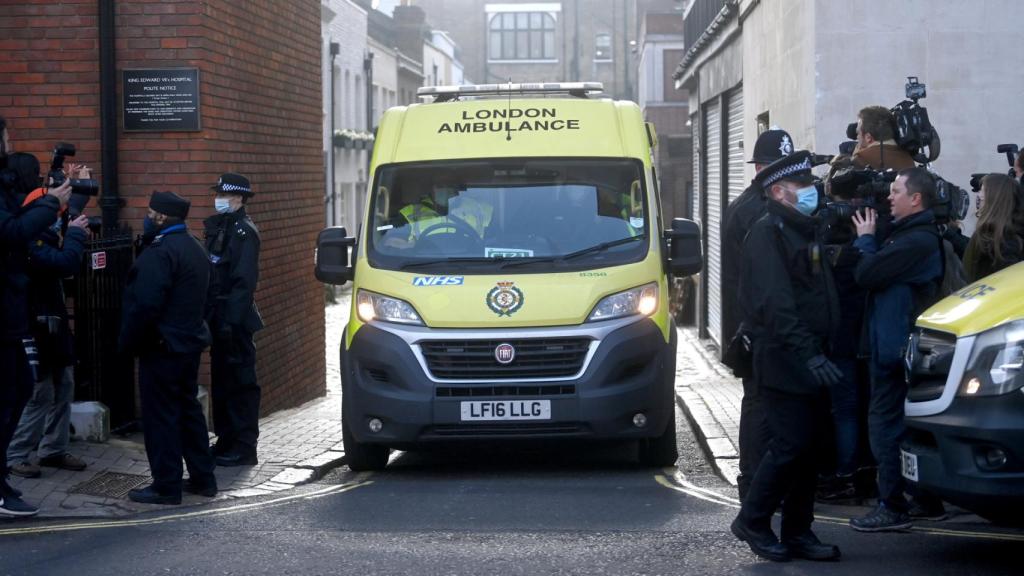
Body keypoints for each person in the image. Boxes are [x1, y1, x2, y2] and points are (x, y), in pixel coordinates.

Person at [730, 151, 843, 563]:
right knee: (789, 445)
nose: (812, 191)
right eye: (802, 186)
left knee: (808, 448)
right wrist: (808, 354)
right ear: (778, 192)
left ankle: (798, 530)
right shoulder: (768, 233)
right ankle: (753, 520)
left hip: (810, 356)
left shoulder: (800, 229)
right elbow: (776, 306)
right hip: (784, 358)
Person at [849, 167, 944, 531]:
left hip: (893, 351)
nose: (889, 197)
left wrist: (865, 240)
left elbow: (866, 274)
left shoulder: (915, 241)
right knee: (906, 428)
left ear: (916, 199)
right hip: (894, 347)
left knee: (885, 427)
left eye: (896, 191)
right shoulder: (908, 235)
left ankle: (892, 506)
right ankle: (924, 499)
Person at [120, 191, 217, 505]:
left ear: (161, 217)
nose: (147, 218)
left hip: (161, 348)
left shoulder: (160, 252)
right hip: (189, 345)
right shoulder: (195, 248)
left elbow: (144, 305)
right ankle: (203, 478)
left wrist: (129, 342)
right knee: (189, 412)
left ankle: (166, 485)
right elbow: (210, 298)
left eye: (150, 213)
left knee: (161, 417)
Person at [0, 116, 72, 517]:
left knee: (21, 389)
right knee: (16, 391)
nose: (9, 143)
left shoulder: (7, 185)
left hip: (12, 309)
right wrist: (50, 202)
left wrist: (55, 197)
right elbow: (13, 231)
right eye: (5, 137)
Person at [5, 153, 90, 479]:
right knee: (39, 391)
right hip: (33, 321)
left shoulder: (43, 225)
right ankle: (16, 453)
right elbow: (63, 262)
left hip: (53, 318)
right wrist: (76, 235)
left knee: (64, 384)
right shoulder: (27, 237)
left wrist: (77, 190)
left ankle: (53, 449)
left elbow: (66, 217)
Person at [721, 128, 794, 502]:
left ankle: (761, 481)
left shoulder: (759, 205)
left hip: (759, 324)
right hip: (756, 326)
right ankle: (752, 480)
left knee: (767, 405)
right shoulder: (753, 211)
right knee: (759, 404)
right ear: (762, 169)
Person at [204, 173, 264, 467]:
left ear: (238, 198)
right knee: (222, 383)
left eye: (223, 195)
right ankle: (226, 440)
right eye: (218, 194)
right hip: (219, 316)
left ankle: (244, 446)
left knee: (240, 383)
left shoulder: (244, 232)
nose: (219, 199)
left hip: (234, 319)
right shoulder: (222, 226)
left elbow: (243, 282)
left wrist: (230, 321)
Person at [963, 173, 1023, 282]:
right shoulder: (991, 233)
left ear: (994, 198)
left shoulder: (1006, 241)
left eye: (982, 191)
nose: (979, 196)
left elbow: (1008, 283)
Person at [851, 106, 916, 171]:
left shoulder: (862, 158)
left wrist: (855, 155)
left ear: (868, 137)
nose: (857, 137)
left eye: (858, 133)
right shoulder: (909, 159)